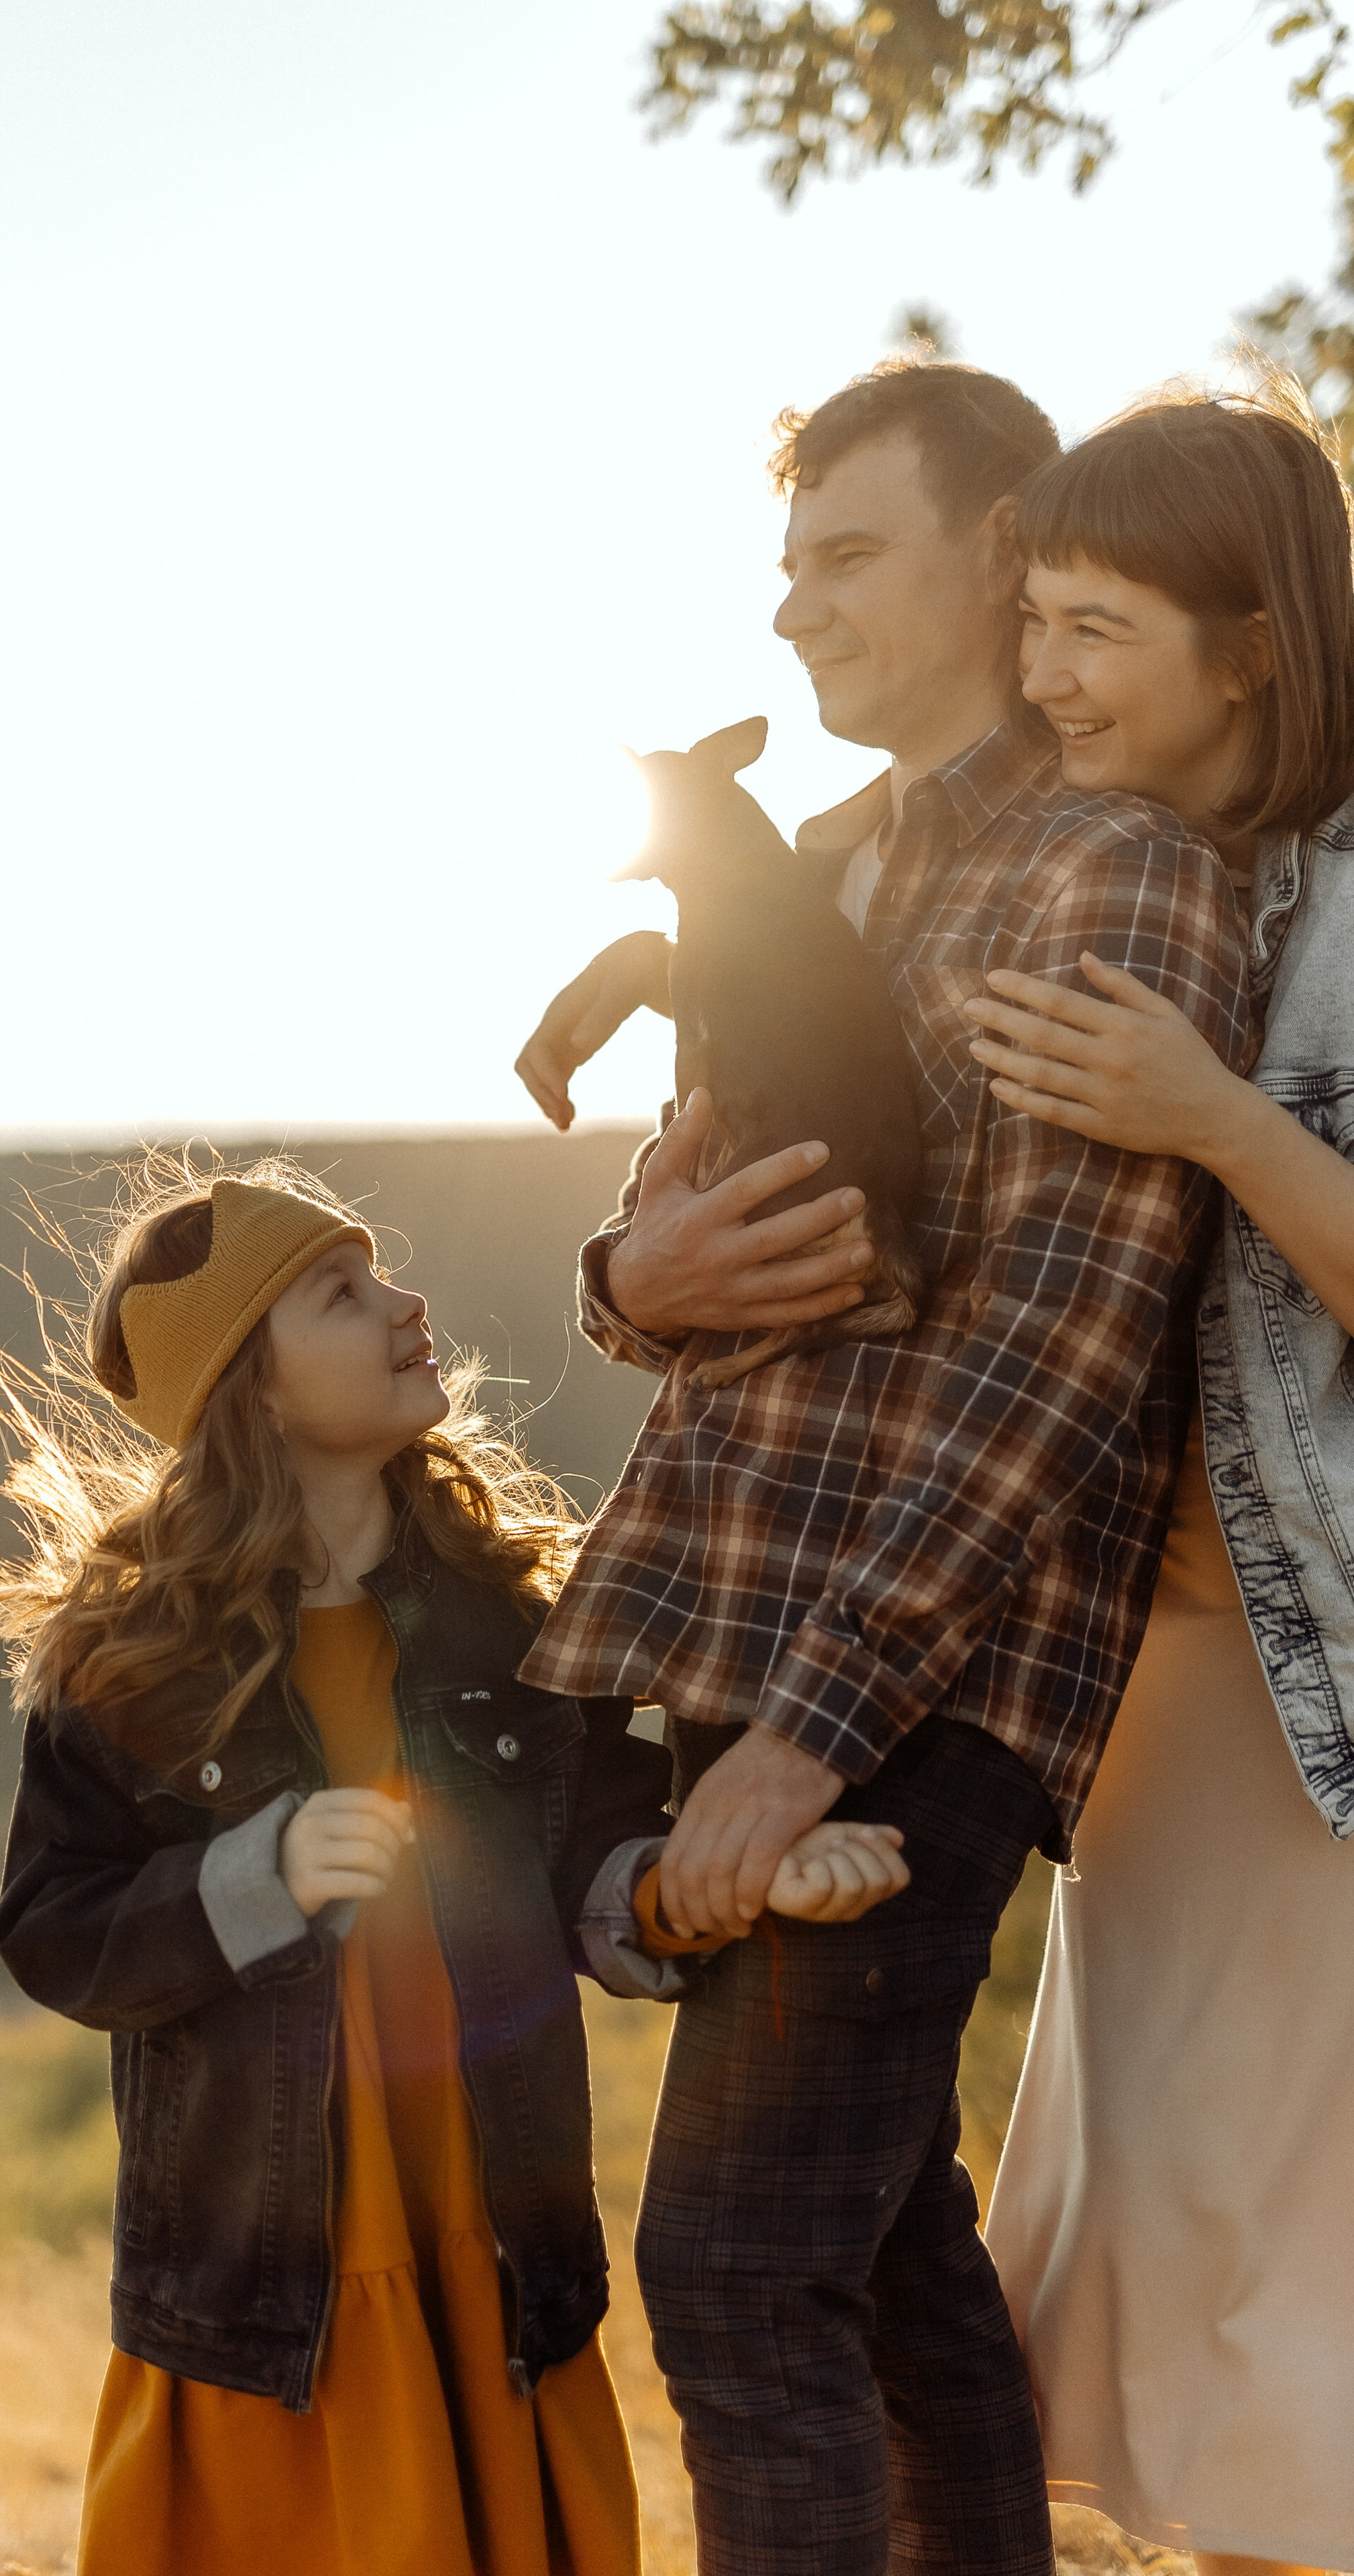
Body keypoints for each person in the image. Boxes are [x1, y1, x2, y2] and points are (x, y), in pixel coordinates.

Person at [513, 358, 1251, 2576]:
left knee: (739, 2281)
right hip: (741, 1643)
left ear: (1009, 551)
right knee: (892, 2273)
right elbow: (672, 1251)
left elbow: (1068, 1352)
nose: (795, 615)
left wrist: (814, 1739)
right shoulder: (807, 870)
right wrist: (633, 1275)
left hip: (908, 1695)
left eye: (849, 558)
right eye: (788, 564)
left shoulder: (1113, 872)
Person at [0, 1157, 910, 2576]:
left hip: (490, 2254)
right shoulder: (128, 1667)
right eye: (341, 1297)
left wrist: (731, 1879)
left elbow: (593, 1869)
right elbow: (55, 1934)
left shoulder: (513, 1620)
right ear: (255, 1391)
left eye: (380, 1271)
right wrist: (256, 1871)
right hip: (273, 2299)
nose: (405, 1303)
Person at [961, 387, 1354, 2576]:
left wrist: (1216, 1116)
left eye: (1094, 622)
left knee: (1309, 2312)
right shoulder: (1124, 875)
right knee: (1209, 2289)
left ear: (1256, 646)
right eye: (1032, 616)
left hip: (1334, 1706)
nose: (1045, 674)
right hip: (1164, 1690)